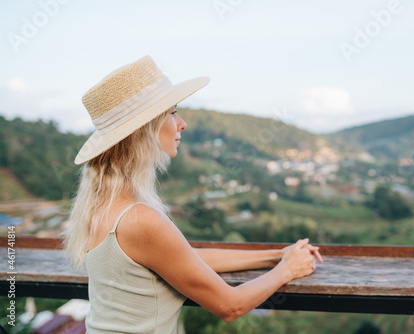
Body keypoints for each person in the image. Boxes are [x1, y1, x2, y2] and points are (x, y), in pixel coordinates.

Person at [63, 55, 323, 333]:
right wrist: (288, 270)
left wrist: (277, 255)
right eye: (173, 112)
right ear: (145, 130)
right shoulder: (139, 219)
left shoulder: (103, 206)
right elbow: (230, 306)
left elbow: (185, 259)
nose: (182, 123)